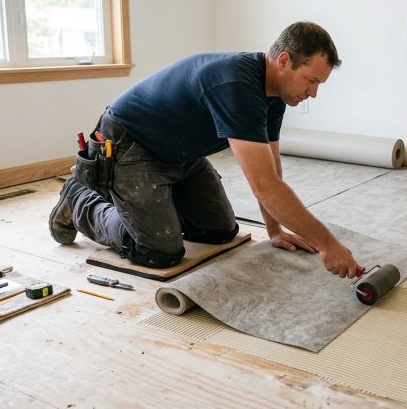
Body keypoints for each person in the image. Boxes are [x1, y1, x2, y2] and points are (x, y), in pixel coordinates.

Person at [49, 21, 363, 278]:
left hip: (179, 154)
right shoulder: (237, 86)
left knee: (220, 231)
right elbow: (266, 187)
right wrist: (328, 246)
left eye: (319, 84)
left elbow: (271, 172)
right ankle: (79, 198)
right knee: (160, 251)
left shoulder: (275, 96)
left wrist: (275, 230)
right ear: (284, 61)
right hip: (131, 146)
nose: (313, 93)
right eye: (311, 81)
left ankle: (150, 204)